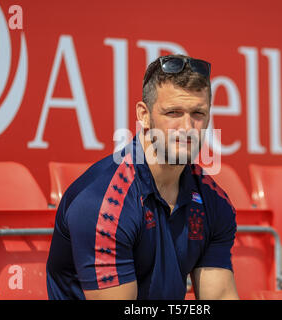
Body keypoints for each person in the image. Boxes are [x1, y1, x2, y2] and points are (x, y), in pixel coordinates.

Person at [46, 54, 239, 300]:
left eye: (198, 113)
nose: (188, 127)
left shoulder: (214, 201)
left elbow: (219, 297)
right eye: (173, 113)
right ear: (144, 115)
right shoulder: (104, 205)